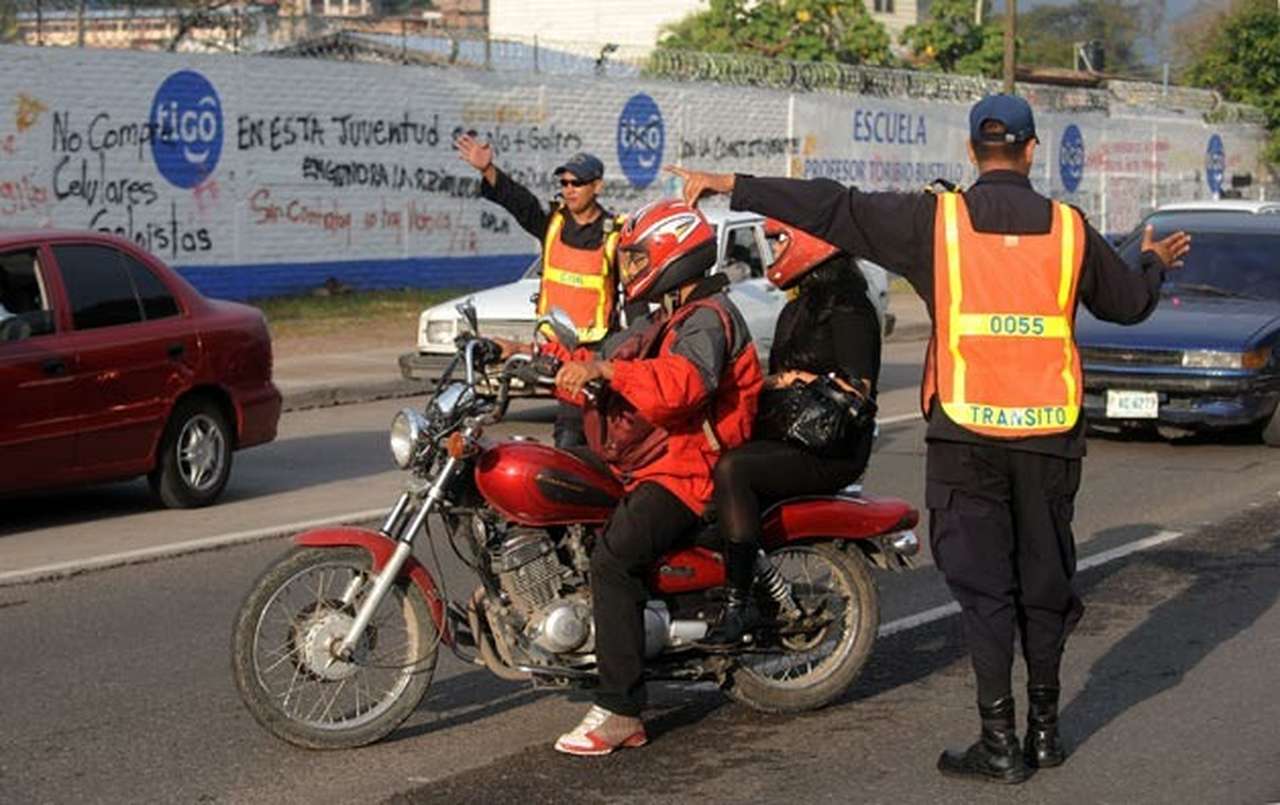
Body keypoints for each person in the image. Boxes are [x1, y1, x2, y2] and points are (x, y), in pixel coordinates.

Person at [669, 93, 1191, 785]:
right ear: (1032, 150)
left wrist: (734, 184)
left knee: (984, 590)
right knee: (1042, 581)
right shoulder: (1070, 229)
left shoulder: (934, 223)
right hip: (1048, 440)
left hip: (967, 437)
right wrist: (1149, 260)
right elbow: (1129, 302)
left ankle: (997, 739)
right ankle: (1045, 730)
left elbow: (833, 206)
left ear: (974, 152)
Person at [494, 199, 764, 756]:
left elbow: (683, 383)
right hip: (647, 459)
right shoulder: (667, 316)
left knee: (612, 562)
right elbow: (602, 354)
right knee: (559, 484)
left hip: (689, 470)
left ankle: (621, 711)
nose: (632, 267)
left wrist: (608, 370)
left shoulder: (708, 317)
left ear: (673, 249)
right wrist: (523, 355)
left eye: (640, 256)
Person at [704, 221, 881, 646]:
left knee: (735, 470)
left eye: (782, 239)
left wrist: (796, 379)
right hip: (789, 435)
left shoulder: (849, 307)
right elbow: (775, 378)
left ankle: (738, 605)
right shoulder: (798, 306)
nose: (776, 248)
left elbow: (859, 390)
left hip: (829, 447)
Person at [456, 134, 635, 448]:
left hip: (594, 351)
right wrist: (488, 171)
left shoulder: (616, 234)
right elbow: (519, 202)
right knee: (569, 433)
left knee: (584, 433)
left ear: (598, 186)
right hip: (553, 348)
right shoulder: (552, 224)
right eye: (564, 183)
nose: (568, 189)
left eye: (577, 183)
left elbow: (635, 294)